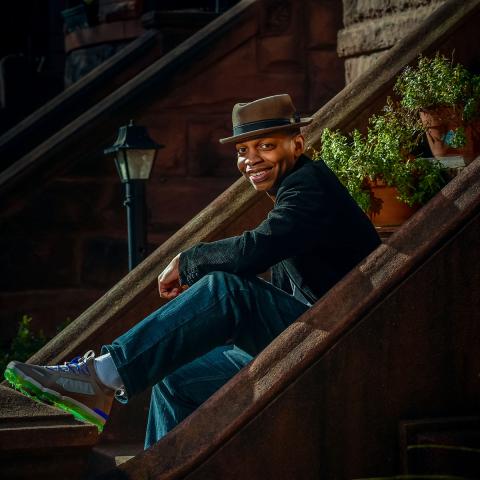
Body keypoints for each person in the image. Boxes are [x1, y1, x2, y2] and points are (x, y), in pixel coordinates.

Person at [4, 94, 381, 449]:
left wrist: (188, 260)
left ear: (297, 145)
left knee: (226, 290)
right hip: (312, 334)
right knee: (174, 379)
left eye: (265, 145)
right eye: (242, 150)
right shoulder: (294, 194)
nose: (251, 159)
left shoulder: (310, 186)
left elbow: (255, 250)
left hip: (344, 341)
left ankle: (99, 378)